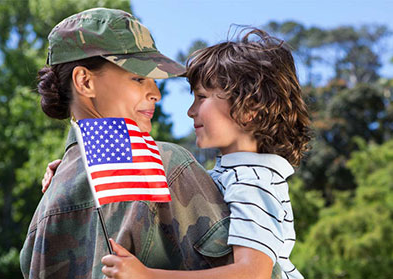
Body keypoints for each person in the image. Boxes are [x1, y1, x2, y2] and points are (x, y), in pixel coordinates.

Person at [21, 8, 288, 279]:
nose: (156, 93)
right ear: (85, 81)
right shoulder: (167, 166)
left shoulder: (46, 207)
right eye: (138, 78)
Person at [99, 28, 311, 279]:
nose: (191, 111)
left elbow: (252, 273)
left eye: (202, 97)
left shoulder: (253, 183)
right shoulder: (234, 175)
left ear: (248, 109)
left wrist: (147, 276)